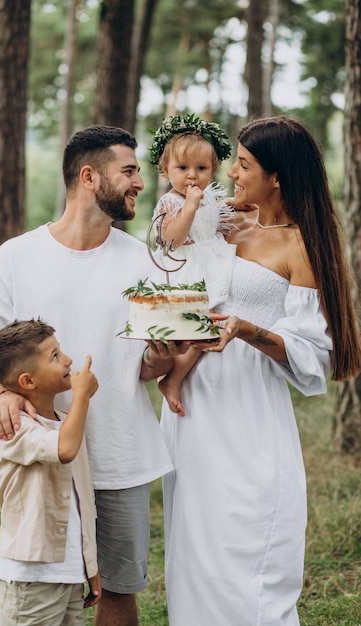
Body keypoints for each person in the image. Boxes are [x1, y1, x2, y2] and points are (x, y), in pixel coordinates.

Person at [0, 125, 188, 626]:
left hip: (121, 454)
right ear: (89, 176)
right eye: (128, 171)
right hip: (43, 464)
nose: (139, 183)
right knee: (43, 595)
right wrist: (1, 394)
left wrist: (162, 358)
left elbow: (148, 367)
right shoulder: (15, 258)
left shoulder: (144, 262)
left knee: (119, 593)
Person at [160, 116, 361, 625]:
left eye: (244, 165)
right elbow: (169, 253)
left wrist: (248, 330)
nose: (231, 173)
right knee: (193, 547)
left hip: (248, 411)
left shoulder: (300, 245)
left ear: (277, 176)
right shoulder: (221, 217)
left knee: (244, 547)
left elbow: (316, 355)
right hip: (191, 407)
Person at [0, 318, 100, 625]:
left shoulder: (67, 423)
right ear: (28, 381)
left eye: (60, 350)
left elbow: (81, 504)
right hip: (31, 581)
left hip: (70, 575)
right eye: (54, 356)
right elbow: (63, 450)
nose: (68, 360)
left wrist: (90, 567)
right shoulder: (16, 429)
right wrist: (82, 397)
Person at [149, 113, 237, 416]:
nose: (192, 175)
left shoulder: (207, 196)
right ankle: (171, 379)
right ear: (166, 169)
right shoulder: (171, 202)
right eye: (182, 168)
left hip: (212, 261)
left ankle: (177, 378)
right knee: (199, 327)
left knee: (213, 323)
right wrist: (189, 206)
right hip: (188, 270)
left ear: (212, 170)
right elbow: (172, 239)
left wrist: (233, 206)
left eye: (201, 168)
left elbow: (213, 216)